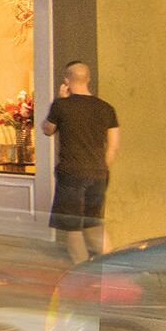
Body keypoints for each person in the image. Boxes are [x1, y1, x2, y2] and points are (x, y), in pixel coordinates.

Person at [43, 60, 121, 263]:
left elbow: (47, 129)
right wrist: (101, 168)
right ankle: (111, 265)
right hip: (98, 174)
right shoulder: (106, 108)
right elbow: (113, 145)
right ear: (88, 79)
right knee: (94, 224)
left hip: (71, 173)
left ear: (67, 81)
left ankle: (81, 267)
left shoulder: (61, 105)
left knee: (73, 227)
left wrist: (60, 100)